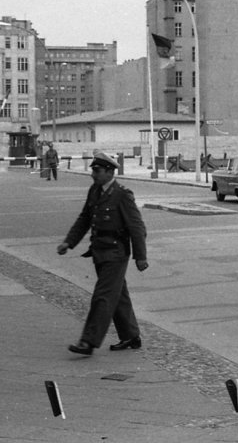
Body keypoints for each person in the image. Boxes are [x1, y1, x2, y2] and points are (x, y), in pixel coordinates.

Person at [56, 151, 148, 355]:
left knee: (103, 297)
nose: (93, 174)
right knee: (117, 294)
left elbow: (137, 227)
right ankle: (131, 336)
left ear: (109, 171)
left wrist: (140, 257)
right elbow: (84, 219)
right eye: (93, 170)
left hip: (116, 253)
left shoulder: (122, 194)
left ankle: (88, 342)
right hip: (99, 251)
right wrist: (68, 242)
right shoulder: (95, 191)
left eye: (97, 171)